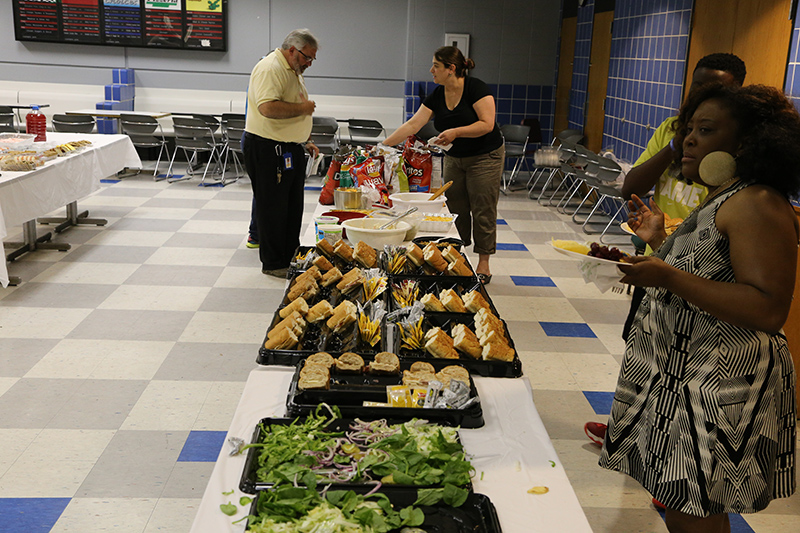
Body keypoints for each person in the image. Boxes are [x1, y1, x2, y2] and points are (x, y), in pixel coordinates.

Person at [600, 83, 800, 532]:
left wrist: (667, 274)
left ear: (747, 142)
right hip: (684, 373)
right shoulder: (726, 193)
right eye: (688, 128)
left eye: (705, 130)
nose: (687, 139)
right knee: (680, 502)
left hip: (720, 383)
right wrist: (659, 240)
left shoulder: (757, 202)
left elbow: (768, 308)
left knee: (694, 510)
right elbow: (713, 269)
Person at [585, 53, 747, 447]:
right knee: (643, 342)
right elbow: (632, 187)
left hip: (704, 276)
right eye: (698, 89)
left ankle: (671, 447)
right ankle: (632, 425)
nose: (693, 136)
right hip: (664, 255)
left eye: (704, 129)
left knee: (687, 362)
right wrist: (675, 146)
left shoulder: (746, 182)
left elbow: (764, 301)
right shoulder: (674, 134)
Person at [382, 46, 505, 285]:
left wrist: (455, 132)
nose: (431, 71)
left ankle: (483, 263)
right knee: (453, 207)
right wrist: (382, 146)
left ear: (451, 69)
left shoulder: (476, 89)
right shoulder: (437, 95)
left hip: (485, 156)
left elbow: (487, 124)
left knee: (482, 207)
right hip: (454, 156)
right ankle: (457, 255)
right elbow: (412, 125)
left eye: (436, 66)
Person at [243, 29, 320, 277]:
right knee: (273, 208)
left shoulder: (293, 70)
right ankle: (274, 263)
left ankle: (290, 256)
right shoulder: (270, 68)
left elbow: (291, 106)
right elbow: (267, 108)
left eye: (312, 59)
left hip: (289, 147)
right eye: (307, 57)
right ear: (292, 50)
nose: (309, 63)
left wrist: (305, 139)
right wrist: (302, 109)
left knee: (291, 207)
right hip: (268, 148)